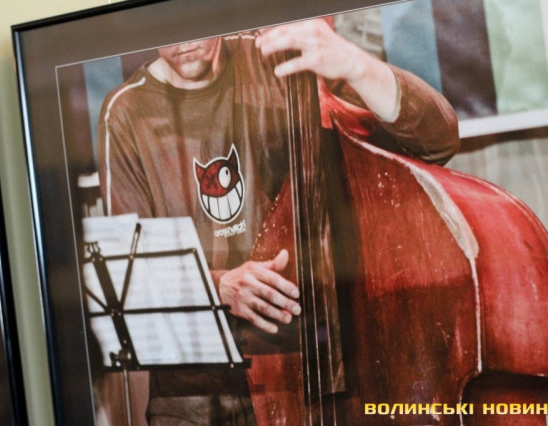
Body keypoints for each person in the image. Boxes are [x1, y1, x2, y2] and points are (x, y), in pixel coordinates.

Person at [98, 18, 459, 425]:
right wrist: (218, 287)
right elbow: (131, 275)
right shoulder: (125, 111)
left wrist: (356, 65)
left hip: (304, 373)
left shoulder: (275, 60)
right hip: (196, 398)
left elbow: (438, 140)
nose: (179, 40)